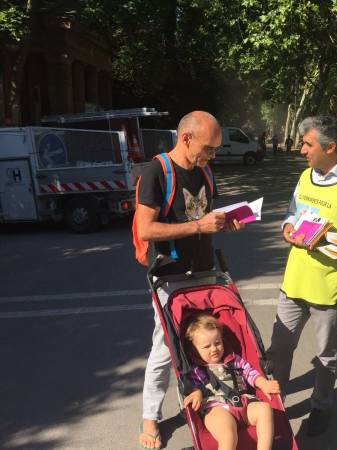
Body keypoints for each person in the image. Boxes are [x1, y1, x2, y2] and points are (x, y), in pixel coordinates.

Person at [136, 111, 244, 449]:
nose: (213, 155)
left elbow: (203, 216)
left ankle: (205, 397)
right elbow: (146, 229)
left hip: (205, 274)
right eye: (209, 148)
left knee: (205, 341)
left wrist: (225, 222)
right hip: (169, 277)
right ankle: (150, 418)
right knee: (165, 348)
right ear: (186, 138)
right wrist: (199, 226)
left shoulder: (205, 171)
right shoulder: (157, 172)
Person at [267, 116, 337, 436]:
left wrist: (323, 239)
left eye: (307, 144)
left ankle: (321, 406)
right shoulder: (305, 176)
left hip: (328, 284)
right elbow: (291, 215)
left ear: (330, 147)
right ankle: (274, 405)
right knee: (279, 349)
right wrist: (289, 229)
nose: (302, 150)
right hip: (294, 280)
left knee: (326, 354)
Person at [182, 313, 280, 450]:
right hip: (215, 408)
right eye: (207, 346)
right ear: (194, 350)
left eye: (217, 343)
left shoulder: (233, 359)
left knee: (265, 409)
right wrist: (196, 391)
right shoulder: (197, 369)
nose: (214, 349)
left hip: (242, 402)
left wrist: (262, 383)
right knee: (227, 434)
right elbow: (190, 385)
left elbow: (249, 372)